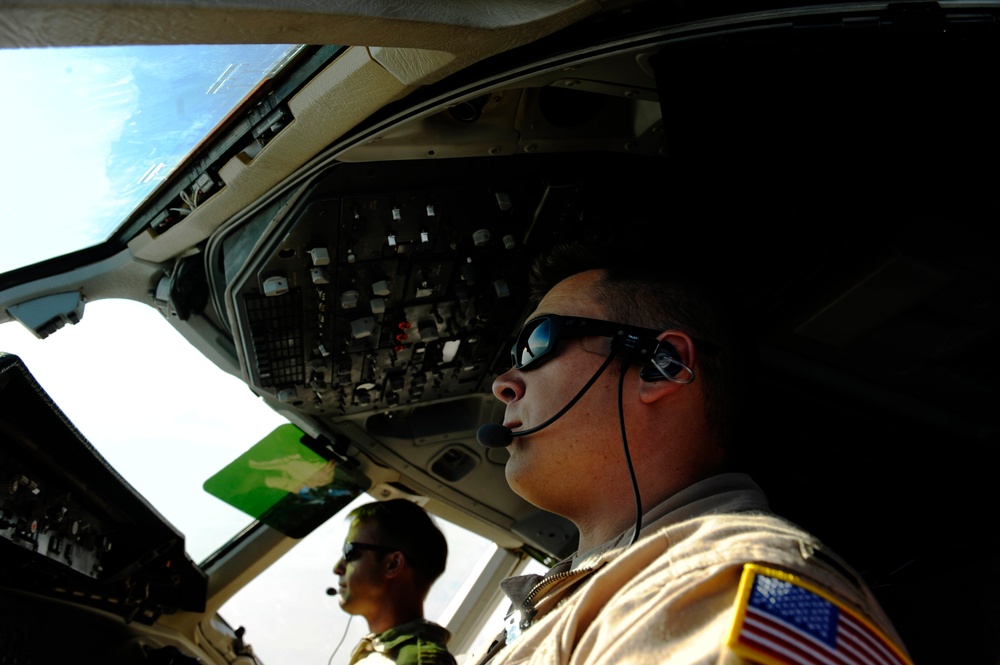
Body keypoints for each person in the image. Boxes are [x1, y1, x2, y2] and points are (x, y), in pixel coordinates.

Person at [475, 240, 912, 664]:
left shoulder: (730, 579)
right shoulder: (601, 589)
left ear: (660, 364)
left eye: (537, 342)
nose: (504, 383)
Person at [333, 499, 456, 665]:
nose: (337, 568)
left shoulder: (417, 661)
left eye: (350, 552)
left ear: (393, 564)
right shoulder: (382, 654)